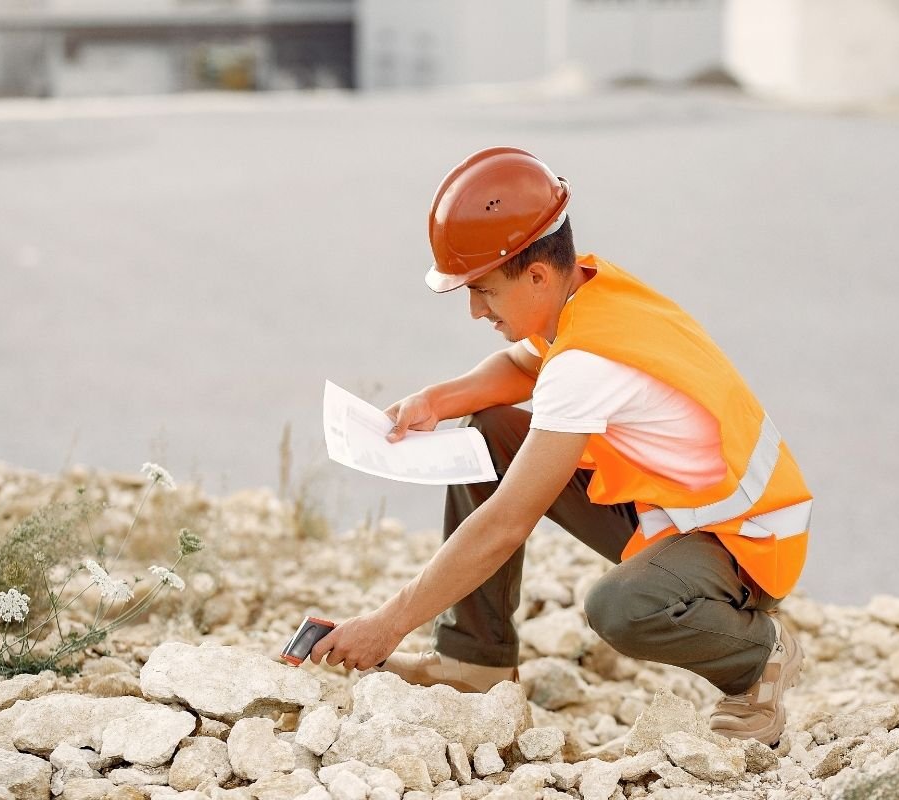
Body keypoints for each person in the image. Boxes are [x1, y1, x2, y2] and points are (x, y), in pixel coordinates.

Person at [310, 146, 813, 745]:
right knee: (492, 428)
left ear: (538, 275)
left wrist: (385, 627)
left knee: (622, 607)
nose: (475, 310)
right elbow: (520, 366)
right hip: (675, 514)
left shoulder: (587, 361)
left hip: (746, 543)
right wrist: (436, 401)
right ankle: (475, 663)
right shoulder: (590, 291)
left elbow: (505, 522)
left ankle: (758, 657)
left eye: (485, 291)